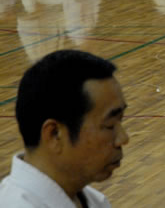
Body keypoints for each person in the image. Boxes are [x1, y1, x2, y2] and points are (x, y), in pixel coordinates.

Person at [0, 50, 129, 206]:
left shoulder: (94, 201)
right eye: (109, 126)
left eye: (120, 121)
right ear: (54, 134)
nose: (123, 139)